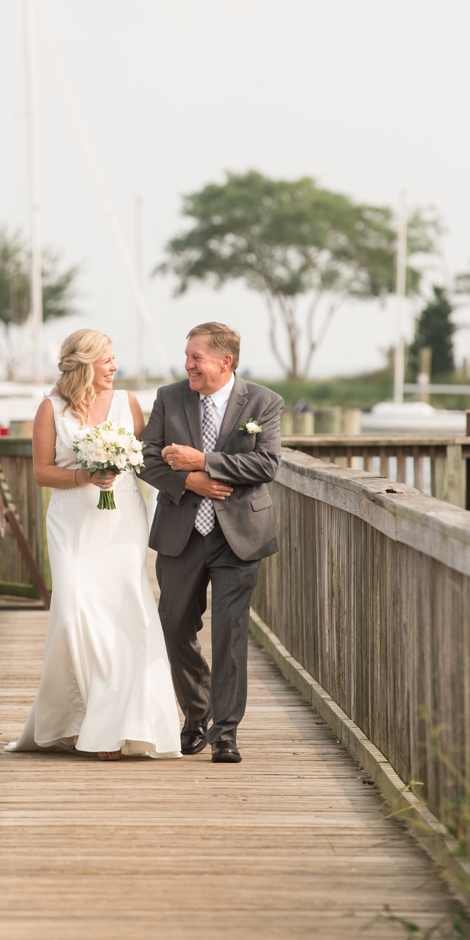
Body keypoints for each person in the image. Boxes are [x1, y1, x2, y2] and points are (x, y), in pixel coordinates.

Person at [5, 329, 182, 760]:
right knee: (72, 613)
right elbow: (43, 473)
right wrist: (85, 475)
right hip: (72, 522)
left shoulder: (128, 404)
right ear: (84, 364)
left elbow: (145, 461)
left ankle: (113, 727)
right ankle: (75, 720)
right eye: (107, 360)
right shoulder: (51, 409)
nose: (114, 367)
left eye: (114, 359)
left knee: (125, 611)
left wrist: (189, 480)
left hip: (121, 519)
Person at [138, 322, 284, 764]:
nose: (188, 365)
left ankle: (225, 732)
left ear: (226, 361)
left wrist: (203, 460)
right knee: (175, 626)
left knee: (231, 633)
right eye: (187, 357)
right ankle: (195, 713)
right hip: (181, 532)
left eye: (196, 358)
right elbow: (147, 461)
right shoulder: (169, 397)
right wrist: (192, 480)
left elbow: (267, 463)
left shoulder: (264, 402)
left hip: (238, 535)